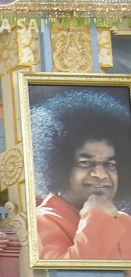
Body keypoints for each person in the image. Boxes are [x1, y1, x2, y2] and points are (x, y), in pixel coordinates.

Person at [33, 87, 131, 263]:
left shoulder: (125, 222)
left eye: (110, 164)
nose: (101, 174)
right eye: (86, 163)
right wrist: (97, 217)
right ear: (60, 168)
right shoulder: (41, 220)